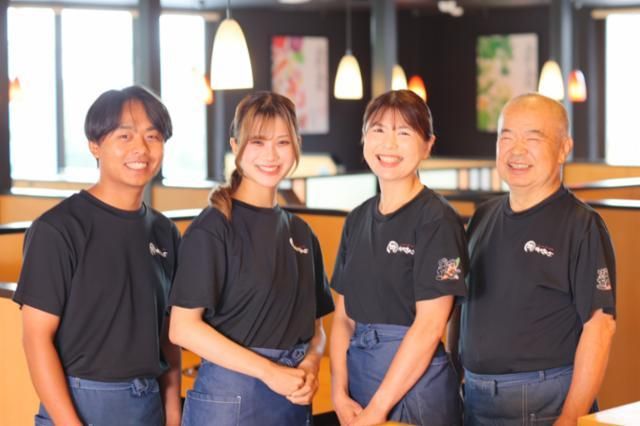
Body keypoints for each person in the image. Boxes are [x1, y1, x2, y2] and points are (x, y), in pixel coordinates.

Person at [13, 86, 182, 426]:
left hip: (148, 402)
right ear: (94, 145)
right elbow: (36, 339)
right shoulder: (58, 228)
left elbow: (168, 335)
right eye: (125, 136)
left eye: (153, 136)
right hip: (79, 403)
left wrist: (173, 413)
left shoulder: (165, 231)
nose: (141, 148)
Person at [168, 91, 334, 426]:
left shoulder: (302, 233)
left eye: (282, 142)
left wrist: (310, 365)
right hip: (228, 402)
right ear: (235, 145)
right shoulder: (213, 228)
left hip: (291, 398)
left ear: (296, 146)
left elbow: (317, 330)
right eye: (257, 142)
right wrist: (269, 372)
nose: (270, 155)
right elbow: (182, 329)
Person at [454, 93, 616, 425]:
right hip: (475, 397)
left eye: (532, 138)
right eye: (506, 137)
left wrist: (571, 417)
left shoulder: (582, 225)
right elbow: (461, 306)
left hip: (542, 402)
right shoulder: (483, 216)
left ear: (563, 148)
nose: (516, 150)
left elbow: (600, 326)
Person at [330, 90, 467, 426]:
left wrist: (378, 409)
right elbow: (343, 319)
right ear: (364, 139)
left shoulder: (438, 220)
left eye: (404, 132)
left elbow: (430, 326)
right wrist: (338, 392)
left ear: (428, 145)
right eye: (378, 130)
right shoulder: (356, 220)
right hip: (359, 378)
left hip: (415, 385)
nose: (389, 144)